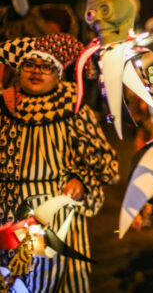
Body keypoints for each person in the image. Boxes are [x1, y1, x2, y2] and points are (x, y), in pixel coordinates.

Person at [0, 33, 119, 292]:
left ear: (59, 74)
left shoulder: (73, 109)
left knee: (51, 283)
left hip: (55, 215)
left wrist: (80, 180)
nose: (36, 71)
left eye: (46, 66)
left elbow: (106, 166)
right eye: (30, 64)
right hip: (6, 215)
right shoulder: (3, 105)